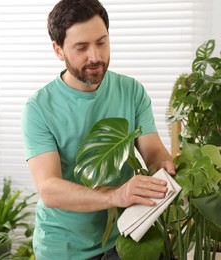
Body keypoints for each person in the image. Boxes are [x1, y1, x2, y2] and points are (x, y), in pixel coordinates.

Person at [21, 0, 175, 259]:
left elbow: (153, 152)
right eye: (81, 47)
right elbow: (49, 188)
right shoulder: (39, 108)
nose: (95, 56)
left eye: (101, 42)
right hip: (64, 247)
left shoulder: (131, 91)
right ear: (58, 50)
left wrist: (164, 169)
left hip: (126, 234)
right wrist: (116, 195)